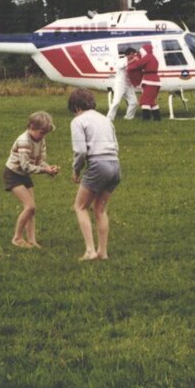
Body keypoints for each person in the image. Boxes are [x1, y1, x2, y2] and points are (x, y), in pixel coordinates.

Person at [68, 88, 121, 260]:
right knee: (99, 209)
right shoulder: (106, 119)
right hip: (115, 165)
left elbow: (80, 151)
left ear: (75, 106)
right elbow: (116, 144)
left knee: (80, 207)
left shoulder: (78, 121)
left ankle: (90, 251)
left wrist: (76, 170)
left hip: (98, 165)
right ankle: (102, 252)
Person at [3, 111, 60, 248]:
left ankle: (31, 240)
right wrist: (44, 170)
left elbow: (39, 161)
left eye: (45, 133)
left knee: (31, 209)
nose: (43, 136)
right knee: (30, 206)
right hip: (13, 173)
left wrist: (49, 168)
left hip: (24, 174)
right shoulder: (24, 141)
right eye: (41, 132)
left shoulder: (40, 139)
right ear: (31, 127)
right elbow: (25, 166)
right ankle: (17, 238)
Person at [127, 42, 162, 121]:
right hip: (155, 81)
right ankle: (157, 118)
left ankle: (146, 118)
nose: (141, 53)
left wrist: (129, 66)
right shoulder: (153, 57)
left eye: (141, 51)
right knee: (151, 100)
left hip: (150, 81)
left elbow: (138, 64)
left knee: (144, 100)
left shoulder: (148, 57)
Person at [107, 46, 140, 121]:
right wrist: (133, 60)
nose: (133, 56)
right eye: (131, 54)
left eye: (134, 54)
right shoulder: (121, 60)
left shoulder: (134, 62)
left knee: (134, 102)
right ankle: (109, 118)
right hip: (120, 84)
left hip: (128, 85)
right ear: (127, 55)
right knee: (116, 102)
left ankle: (128, 117)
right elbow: (122, 66)